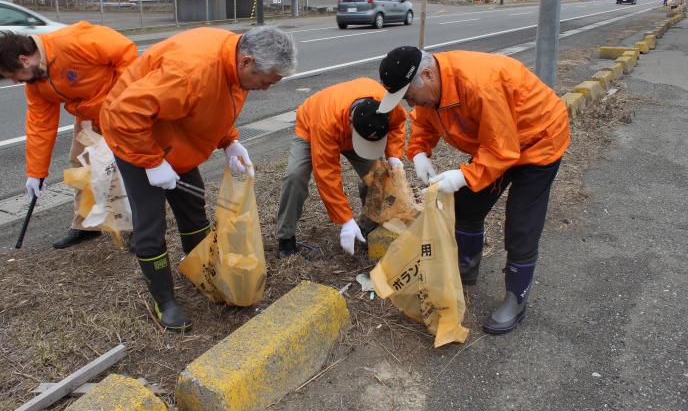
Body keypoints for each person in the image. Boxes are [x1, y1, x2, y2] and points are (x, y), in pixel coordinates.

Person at [101, 26, 297, 332]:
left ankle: (201, 273)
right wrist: (152, 162)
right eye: (266, 81)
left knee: (193, 208)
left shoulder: (233, 62)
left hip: (174, 136)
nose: (266, 88)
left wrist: (229, 140)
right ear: (246, 62)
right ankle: (164, 301)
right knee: (150, 223)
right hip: (133, 137)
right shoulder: (189, 71)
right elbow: (123, 114)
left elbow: (217, 103)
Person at [377, 46, 570, 335]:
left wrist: (462, 176)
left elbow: (503, 151)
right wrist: (419, 151)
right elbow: (425, 119)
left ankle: (516, 299)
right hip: (494, 141)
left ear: (428, 74)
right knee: (467, 206)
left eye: (409, 95)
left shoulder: (480, 85)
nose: (409, 102)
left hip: (538, 141)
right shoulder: (434, 90)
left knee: (521, 224)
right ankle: (466, 267)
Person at [0, 23, 138, 249]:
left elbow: (126, 54)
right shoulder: (35, 84)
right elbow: (40, 126)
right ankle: (86, 225)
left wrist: (125, 100)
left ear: (24, 59)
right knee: (82, 167)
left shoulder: (73, 41)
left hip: (121, 111)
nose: (16, 81)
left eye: (14, 75)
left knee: (129, 168)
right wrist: (36, 173)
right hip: (88, 117)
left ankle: (141, 226)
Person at [275, 78, 408, 258]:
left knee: (380, 177)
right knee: (295, 176)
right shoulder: (325, 122)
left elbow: (398, 124)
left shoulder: (386, 104)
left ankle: (367, 229)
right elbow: (327, 175)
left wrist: (393, 155)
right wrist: (345, 219)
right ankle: (286, 237)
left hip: (358, 130)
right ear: (350, 123)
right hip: (312, 127)